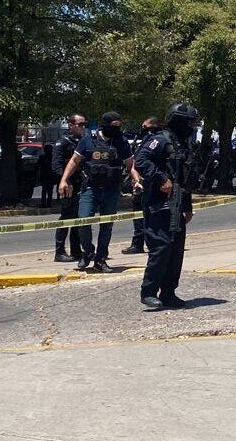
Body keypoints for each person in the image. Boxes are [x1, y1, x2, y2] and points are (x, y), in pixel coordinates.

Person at [135, 103, 201, 310]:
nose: (193, 126)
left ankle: (169, 292)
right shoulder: (159, 140)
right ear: (179, 121)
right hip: (158, 203)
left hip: (177, 204)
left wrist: (188, 205)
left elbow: (185, 177)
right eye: (190, 122)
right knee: (161, 248)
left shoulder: (183, 144)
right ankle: (148, 292)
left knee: (176, 250)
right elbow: (141, 161)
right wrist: (161, 178)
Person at [58, 111, 138, 272]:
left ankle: (100, 259)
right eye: (113, 126)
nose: (116, 129)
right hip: (90, 188)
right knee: (83, 220)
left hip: (111, 189)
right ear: (105, 124)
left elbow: (131, 164)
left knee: (106, 226)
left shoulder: (121, 141)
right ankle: (88, 251)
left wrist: (136, 179)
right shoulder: (88, 140)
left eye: (118, 126)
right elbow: (74, 160)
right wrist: (64, 179)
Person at [123, 116, 160, 255]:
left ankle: (153, 242)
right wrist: (136, 179)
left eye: (145, 127)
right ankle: (138, 243)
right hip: (140, 182)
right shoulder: (144, 141)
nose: (142, 129)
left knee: (152, 214)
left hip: (153, 183)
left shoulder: (158, 141)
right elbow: (135, 163)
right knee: (138, 213)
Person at [51, 115, 85, 262]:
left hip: (80, 183)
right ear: (71, 125)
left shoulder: (81, 142)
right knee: (66, 217)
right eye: (81, 124)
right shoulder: (63, 142)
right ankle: (59, 252)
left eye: (85, 124)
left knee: (78, 218)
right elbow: (56, 166)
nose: (83, 127)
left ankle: (76, 250)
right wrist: (66, 180)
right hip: (67, 185)